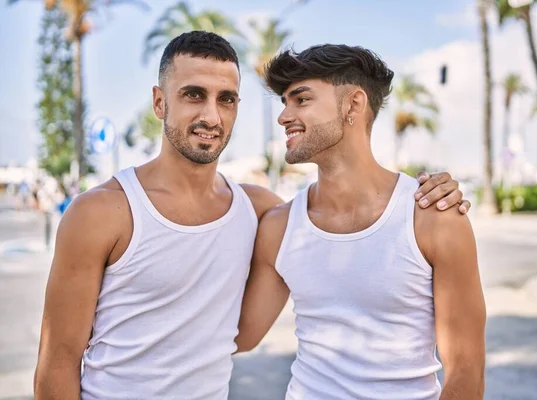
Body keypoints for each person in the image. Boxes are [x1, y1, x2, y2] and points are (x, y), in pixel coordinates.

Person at [34, 32, 470, 399]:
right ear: (159, 102)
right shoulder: (99, 213)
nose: (211, 115)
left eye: (226, 99)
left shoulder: (261, 212)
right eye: (193, 95)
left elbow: (238, 334)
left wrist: (433, 194)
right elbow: (57, 362)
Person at [235, 44, 486, 400]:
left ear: (353, 104)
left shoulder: (432, 217)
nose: (283, 117)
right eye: (284, 103)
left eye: (301, 100)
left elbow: (466, 370)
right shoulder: (278, 227)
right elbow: (240, 335)